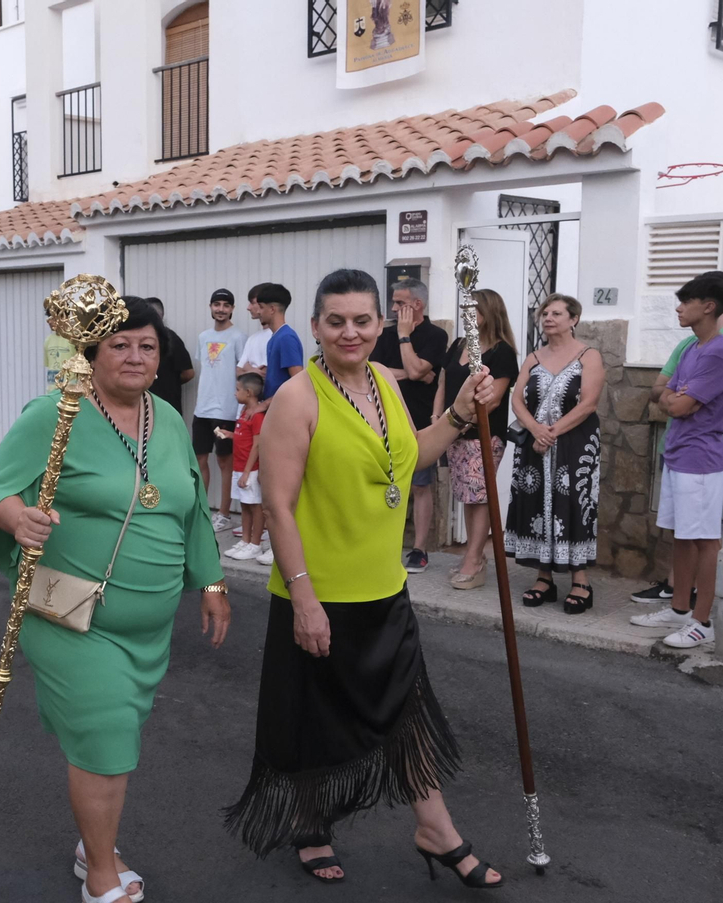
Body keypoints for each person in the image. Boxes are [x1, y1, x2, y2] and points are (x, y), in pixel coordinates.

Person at [225, 268, 502, 888]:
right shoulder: (297, 399)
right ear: (317, 328)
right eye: (336, 321)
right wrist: (304, 600)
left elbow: (408, 458)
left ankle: (435, 828)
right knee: (314, 715)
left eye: (362, 320)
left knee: (407, 712)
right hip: (318, 590)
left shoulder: (382, 380)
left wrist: (457, 414)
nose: (350, 332)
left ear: (381, 325)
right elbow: (279, 506)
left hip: (384, 586)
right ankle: (310, 822)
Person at [0, 296, 230, 903]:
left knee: (115, 743)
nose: (136, 357)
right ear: (92, 353)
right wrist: (18, 519)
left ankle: (94, 842)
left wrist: (212, 582)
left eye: (148, 346)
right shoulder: (54, 414)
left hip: (148, 629)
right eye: (120, 345)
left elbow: (188, 511)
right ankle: (103, 874)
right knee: (106, 739)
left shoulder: (166, 417)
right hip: (70, 615)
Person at [630, 273, 723, 648]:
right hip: (678, 453)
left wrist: (675, 396)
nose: (678, 307)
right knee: (681, 535)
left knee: (705, 540)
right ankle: (678, 610)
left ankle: (702, 621)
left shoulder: (721, 351)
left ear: (708, 306)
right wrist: (674, 396)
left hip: (702, 460)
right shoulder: (693, 347)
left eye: (685, 301)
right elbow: (667, 394)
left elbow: (680, 404)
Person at [505, 293, 603, 614]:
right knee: (534, 503)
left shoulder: (589, 356)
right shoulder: (533, 357)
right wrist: (535, 430)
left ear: (573, 319)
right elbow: (517, 398)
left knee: (573, 504)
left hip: (574, 447)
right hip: (535, 446)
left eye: (557, 313)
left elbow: (588, 403)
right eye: (545, 313)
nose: (548, 317)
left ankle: (580, 580)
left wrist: (550, 433)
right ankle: (543, 578)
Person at [434, 289, 520, 589]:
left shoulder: (502, 351)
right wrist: (438, 420)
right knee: (467, 497)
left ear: (488, 312)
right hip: (454, 432)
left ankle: (474, 559)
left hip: (483, 435)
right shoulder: (459, 344)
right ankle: (474, 556)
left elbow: (493, 399)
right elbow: (443, 381)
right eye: (464, 309)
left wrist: (458, 422)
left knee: (480, 496)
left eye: (473, 309)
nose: (466, 314)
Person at [370, 278, 447, 574]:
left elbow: (416, 370)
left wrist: (404, 337)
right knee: (382, 483)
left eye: (400, 302)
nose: (392, 308)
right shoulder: (381, 335)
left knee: (420, 485)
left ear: (418, 305)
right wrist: (414, 373)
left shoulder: (435, 336)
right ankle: (382, 543)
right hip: (383, 420)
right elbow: (373, 371)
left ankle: (419, 549)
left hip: (419, 423)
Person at [191, 288, 246, 530]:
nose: (221, 309)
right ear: (210, 307)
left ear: (232, 308)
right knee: (199, 459)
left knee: (225, 461)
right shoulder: (203, 337)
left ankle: (223, 513)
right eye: (217, 304)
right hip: (202, 409)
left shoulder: (238, 337)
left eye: (226, 305)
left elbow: (244, 373)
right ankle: (201, 510)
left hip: (226, 410)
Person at [222, 372, 269, 565]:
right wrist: (230, 435)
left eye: (237, 389)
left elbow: (257, 445)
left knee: (255, 506)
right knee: (244, 504)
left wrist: (248, 472)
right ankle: (245, 540)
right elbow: (244, 438)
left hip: (250, 469)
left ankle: (255, 543)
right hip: (239, 467)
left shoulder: (257, 416)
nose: (235, 393)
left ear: (249, 392)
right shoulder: (244, 412)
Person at [143, 297, 194, 413]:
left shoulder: (171, 339)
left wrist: (169, 382)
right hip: (145, 404)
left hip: (168, 405)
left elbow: (189, 373)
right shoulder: (139, 340)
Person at [254, 284, 304, 400]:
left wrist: (266, 404)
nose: (258, 312)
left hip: (284, 412)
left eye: (261, 307)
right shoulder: (275, 338)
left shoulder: (286, 338)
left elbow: (298, 382)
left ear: (272, 309)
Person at [236, 282, 272, 381]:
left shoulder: (277, 336)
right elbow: (238, 371)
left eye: (252, 303)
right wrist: (252, 370)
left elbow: (265, 373)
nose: (248, 308)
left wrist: (247, 368)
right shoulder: (252, 338)